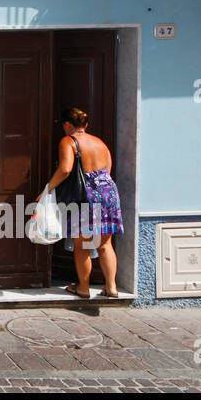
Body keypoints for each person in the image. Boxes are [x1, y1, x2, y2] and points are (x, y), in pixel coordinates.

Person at [42, 106, 124, 298]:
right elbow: (108, 170)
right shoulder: (100, 143)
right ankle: (111, 287)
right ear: (85, 125)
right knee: (105, 244)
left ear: (68, 125)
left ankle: (83, 288)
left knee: (84, 244)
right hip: (108, 192)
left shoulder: (68, 141)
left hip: (86, 195)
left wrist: (48, 189)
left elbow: (65, 169)